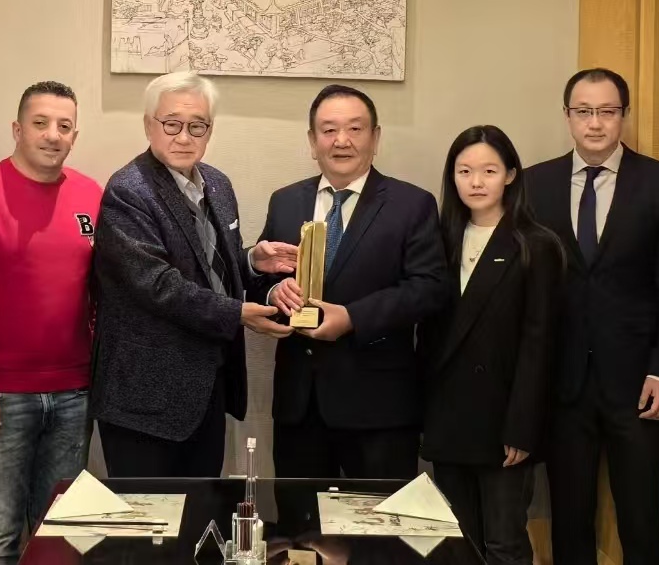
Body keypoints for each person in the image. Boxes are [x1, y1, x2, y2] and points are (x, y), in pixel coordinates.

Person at [91, 71, 297, 477]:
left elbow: (207, 267)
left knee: (204, 506)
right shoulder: (128, 190)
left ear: (209, 130)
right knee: (152, 514)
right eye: (172, 124)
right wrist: (237, 314)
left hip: (207, 384)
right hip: (145, 395)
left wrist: (250, 261)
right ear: (149, 125)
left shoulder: (217, 184)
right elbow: (158, 285)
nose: (184, 137)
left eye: (197, 126)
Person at [524, 68, 659, 565]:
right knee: (569, 519)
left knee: (641, 519)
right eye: (584, 111)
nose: (595, 123)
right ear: (567, 116)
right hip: (563, 382)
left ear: (624, 115)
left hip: (638, 382)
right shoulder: (534, 183)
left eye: (607, 111)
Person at [0, 81, 101, 563]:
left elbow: (101, 291)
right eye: (40, 123)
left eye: (65, 126)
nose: (53, 135)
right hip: (0, 398)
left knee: (62, 539)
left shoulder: (91, 195)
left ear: (74, 136)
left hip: (74, 394)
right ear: (17, 129)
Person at [258, 84, 447, 479]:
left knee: (377, 517)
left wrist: (352, 318)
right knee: (299, 517)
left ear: (375, 138)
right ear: (313, 141)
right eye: (328, 130)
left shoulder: (412, 204)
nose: (341, 140)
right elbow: (262, 274)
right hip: (300, 406)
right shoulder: (285, 201)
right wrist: (274, 290)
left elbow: (429, 288)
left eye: (355, 129)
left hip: (379, 408)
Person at [420, 125, 563, 565]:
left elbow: (540, 345)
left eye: (489, 170)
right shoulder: (438, 240)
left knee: (504, 543)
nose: (476, 182)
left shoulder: (535, 245)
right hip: (448, 416)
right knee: (456, 543)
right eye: (464, 171)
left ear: (511, 175)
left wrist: (522, 427)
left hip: (503, 422)